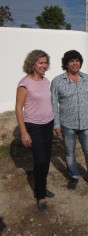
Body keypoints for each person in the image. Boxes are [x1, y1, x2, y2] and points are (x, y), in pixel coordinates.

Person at [51, 50, 88, 190]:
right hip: (67, 124)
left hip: (86, 124)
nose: (75, 63)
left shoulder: (87, 79)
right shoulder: (57, 81)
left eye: (77, 60)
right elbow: (53, 104)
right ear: (66, 63)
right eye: (72, 61)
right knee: (69, 153)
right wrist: (56, 124)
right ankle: (74, 176)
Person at [15, 50, 54, 212]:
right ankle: (40, 196)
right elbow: (18, 108)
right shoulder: (25, 83)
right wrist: (24, 132)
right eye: (41, 63)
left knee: (46, 159)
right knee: (41, 161)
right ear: (32, 64)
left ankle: (41, 187)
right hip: (34, 126)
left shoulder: (46, 81)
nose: (44, 66)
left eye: (45, 62)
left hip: (48, 124)